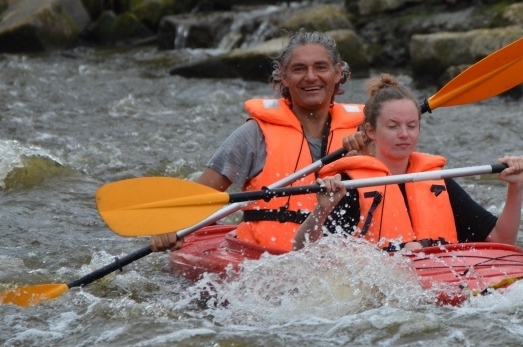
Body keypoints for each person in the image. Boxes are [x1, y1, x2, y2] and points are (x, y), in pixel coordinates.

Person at [150, 30, 367, 253]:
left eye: (320, 67)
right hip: (263, 261)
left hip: (345, 262)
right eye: (299, 69)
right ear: (283, 76)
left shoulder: (365, 135)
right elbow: (198, 202)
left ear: (338, 72)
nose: (311, 77)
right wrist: (171, 229)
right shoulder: (254, 135)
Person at [293, 74, 523, 252]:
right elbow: (302, 252)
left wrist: (515, 188)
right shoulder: (350, 186)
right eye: (393, 126)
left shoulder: (435, 181)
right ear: (371, 131)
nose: (404, 134)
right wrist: (322, 209)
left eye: (412, 126)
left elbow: (501, 240)